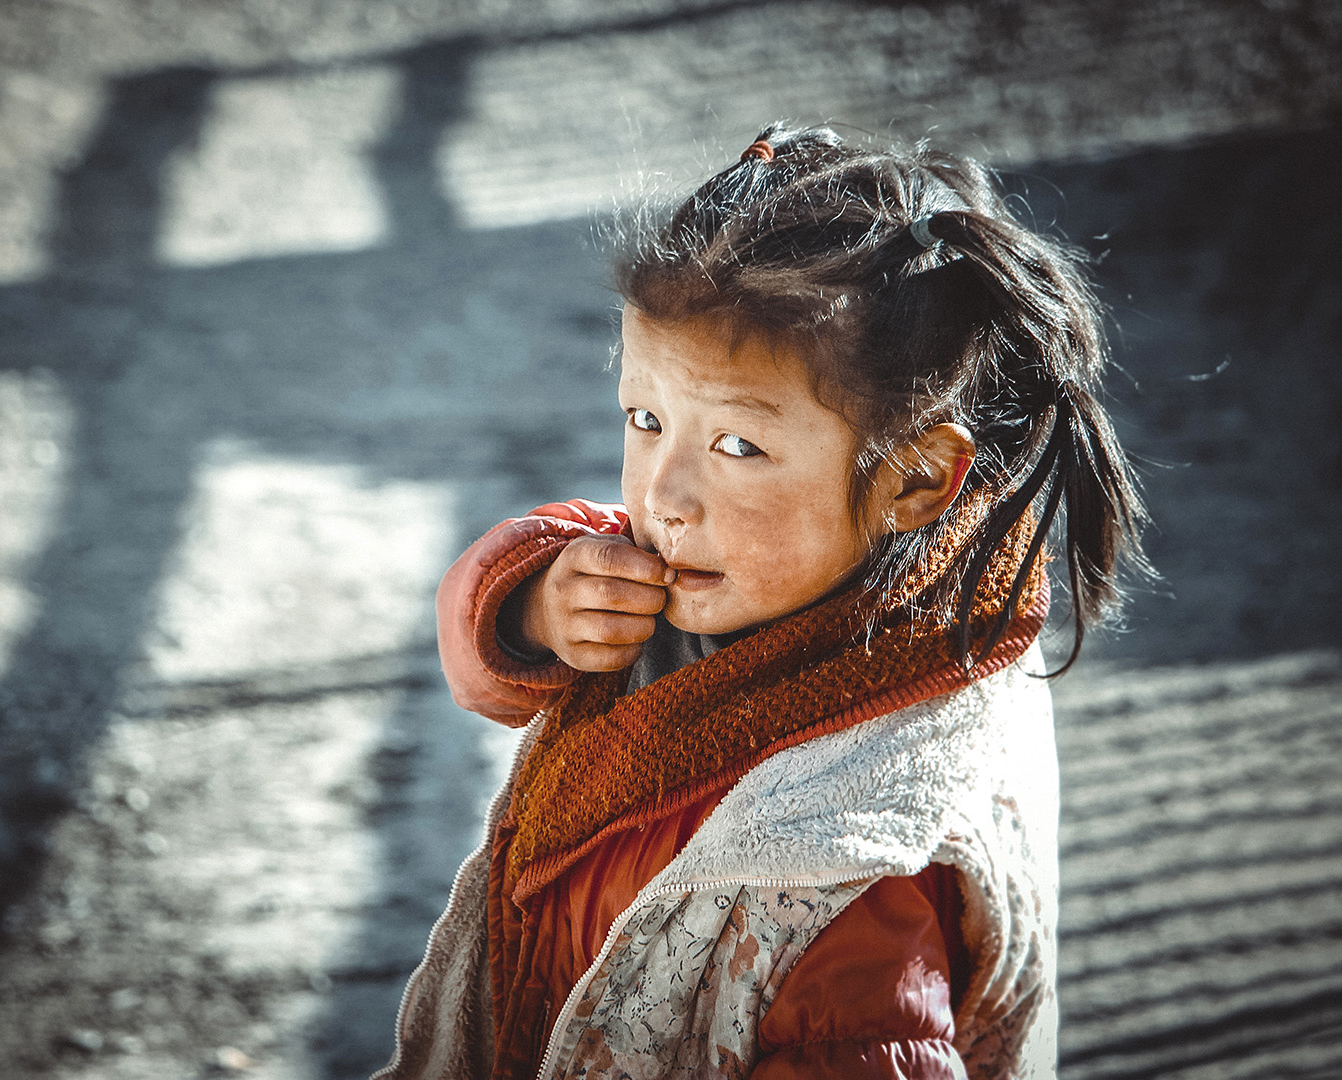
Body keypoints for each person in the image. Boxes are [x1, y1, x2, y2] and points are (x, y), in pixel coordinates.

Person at [375, 125, 1147, 1080]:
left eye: (738, 447)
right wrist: (533, 604)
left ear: (914, 479)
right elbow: (485, 658)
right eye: (646, 419)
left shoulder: (857, 867)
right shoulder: (701, 563)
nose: (663, 496)